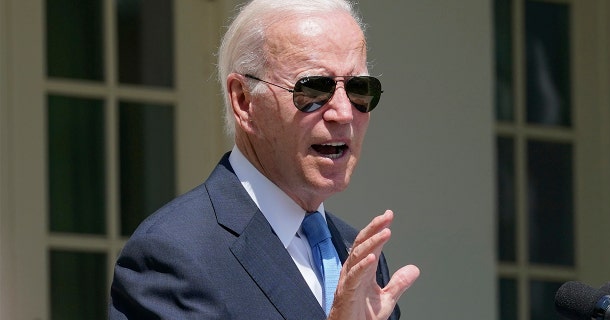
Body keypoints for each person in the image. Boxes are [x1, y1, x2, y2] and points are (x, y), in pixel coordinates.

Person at [108, 0, 420, 319]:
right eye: (313, 89)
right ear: (244, 101)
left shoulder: (359, 257)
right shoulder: (174, 254)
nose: (343, 113)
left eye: (358, 89)